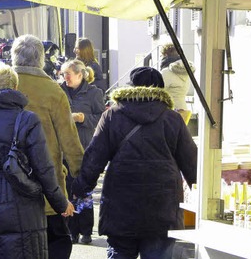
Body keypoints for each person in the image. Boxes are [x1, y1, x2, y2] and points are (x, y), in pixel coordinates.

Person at [71, 67, 197, 259]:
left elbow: (94, 157)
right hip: (162, 208)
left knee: (120, 252)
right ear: (161, 91)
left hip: (120, 207)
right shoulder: (172, 119)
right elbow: (192, 164)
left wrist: (79, 188)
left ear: (131, 87)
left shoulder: (112, 116)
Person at [0, 63, 75, 259]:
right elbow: (43, 168)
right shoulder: (26, 119)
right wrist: (60, 203)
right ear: (15, 88)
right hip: (24, 202)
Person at [11, 34, 84, 259]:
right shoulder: (53, 91)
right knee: (54, 244)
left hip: (8, 186)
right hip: (47, 187)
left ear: (14, 56)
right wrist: (81, 175)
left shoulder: (2, 84)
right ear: (41, 59)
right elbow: (69, 139)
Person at [58, 59, 105, 245]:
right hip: (62, 149)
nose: (65, 77)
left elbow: (102, 118)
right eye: (63, 74)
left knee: (83, 191)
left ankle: (86, 231)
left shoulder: (94, 93)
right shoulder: (58, 91)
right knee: (67, 191)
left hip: (84, 148)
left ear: (80, 74)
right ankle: (71, 231)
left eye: (68, 74)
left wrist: (83, 118)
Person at [159, 43, 195, 110]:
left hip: (169, 109)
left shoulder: (166, 72)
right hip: (183, 108)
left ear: (165, 54)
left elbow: (158, 91)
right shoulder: (185, 70)